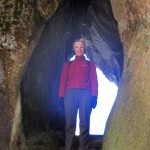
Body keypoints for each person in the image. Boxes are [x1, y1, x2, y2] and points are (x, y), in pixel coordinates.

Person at [59, 38, 98, 150]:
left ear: (84, 48)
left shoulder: (90, 64)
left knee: (84, 123)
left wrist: (94, 96)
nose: (79, 49)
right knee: (70, 123)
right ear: (74, 48)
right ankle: (68, 147)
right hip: (70, 94)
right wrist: (61, 96)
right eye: (77, 47)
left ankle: (83, 148)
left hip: (85, 94)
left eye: (81, 47)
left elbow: (94, 81)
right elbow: (63, 81)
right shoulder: (68, 64)